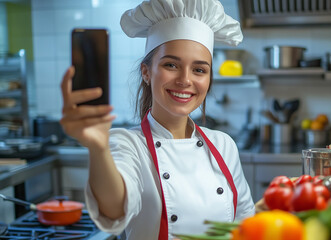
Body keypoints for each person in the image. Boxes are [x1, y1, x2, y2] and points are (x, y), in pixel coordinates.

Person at [60, 0, 255, 239]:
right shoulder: (127, 144)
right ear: (146, 72)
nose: (185, 80)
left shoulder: (224, 145)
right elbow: (113, 210)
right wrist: (98, 148)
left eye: (199, 70)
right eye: (171, 65)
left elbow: (247, 223)